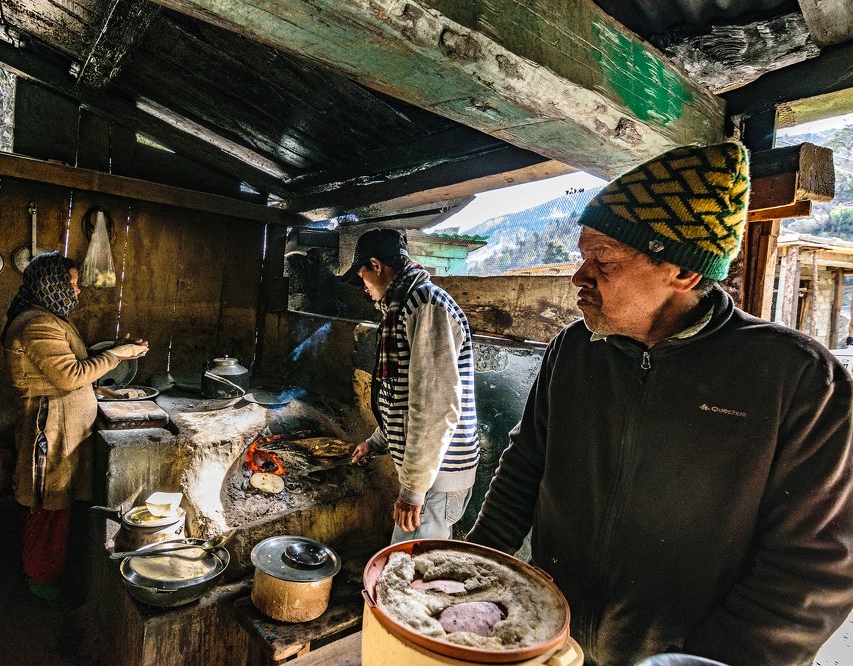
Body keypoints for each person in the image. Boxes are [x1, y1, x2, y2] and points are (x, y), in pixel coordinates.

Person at [467, 142, 853, 665]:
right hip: (557, 641)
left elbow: (814, 567)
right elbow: (524, 467)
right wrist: (470, 567)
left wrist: (697, 661)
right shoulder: (575, 350)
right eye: (583, 256)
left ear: (684, 273)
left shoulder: (797, 378)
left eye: (603, 260)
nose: (580, 276)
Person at [1, 251, 147, 600]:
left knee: (59, 504)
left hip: (64, 427)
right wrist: (117, 355)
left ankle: (51, 571)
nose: (77, 290)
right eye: (71, 282)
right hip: (49, 430)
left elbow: (74, 365)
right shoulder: (36, 325)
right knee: (47, 506)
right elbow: (69, 375)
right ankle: (40, 580)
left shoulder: (51, 319)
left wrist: (117, 349)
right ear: (49, 284)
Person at [344, 229, 479, 543]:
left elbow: (434, 407)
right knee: (404, 561)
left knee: (409, 567)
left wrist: (414, 489)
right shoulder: (403, 306)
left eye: (362, 277)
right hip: (428, 475)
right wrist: (376, 442)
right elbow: (401, 398)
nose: (364, 287)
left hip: (436, 479)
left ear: (376, 266)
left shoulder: (425, 305)